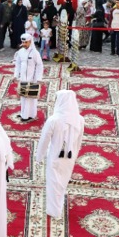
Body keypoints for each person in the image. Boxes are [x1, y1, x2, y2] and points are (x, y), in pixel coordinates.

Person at [36, 90, 83, 219]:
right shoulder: (79, 120)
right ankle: (57, 205)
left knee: (53, 182)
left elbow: (44, 139)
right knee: (62, 181)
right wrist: (75, 155)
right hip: (70, 157)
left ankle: (54, 210)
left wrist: (39, 156)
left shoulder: (54, 120)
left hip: (55, 156)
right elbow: (79, 141)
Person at [13, 34, 44, 122]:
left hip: (32, 78)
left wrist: (38, 78)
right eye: (23, 42)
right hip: (23, 78)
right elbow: (17, 64)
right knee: (23, 96)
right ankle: (24, 113)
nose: (24, 44)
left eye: (25, 42)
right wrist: (16, 75)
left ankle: (30, 115)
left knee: (30, 97)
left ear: (30, 42)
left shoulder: (35, 53)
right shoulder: (20, 52)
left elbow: (39, 65)